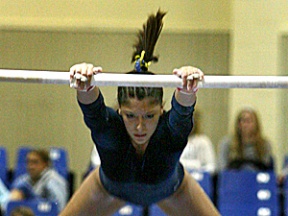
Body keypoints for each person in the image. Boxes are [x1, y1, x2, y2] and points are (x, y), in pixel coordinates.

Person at [60, 10, 219, 216]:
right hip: (107, 189)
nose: (140, 127)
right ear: (119, 111)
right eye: (130, 116)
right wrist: (84, 83)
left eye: (149, 116)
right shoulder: (110, 130)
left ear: (162, 110)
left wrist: (188, 87)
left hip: (174, 190)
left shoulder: (170, 133)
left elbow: (182, 110)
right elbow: (92, 109)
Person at [217, 106, 274, 171]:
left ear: (256, 124)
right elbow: (222, 168)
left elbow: (266, 167)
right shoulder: (226, 143)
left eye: (249, 121)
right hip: (234, 178)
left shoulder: (265, 144)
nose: (245, 124)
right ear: (238, 124)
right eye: (243, 121)